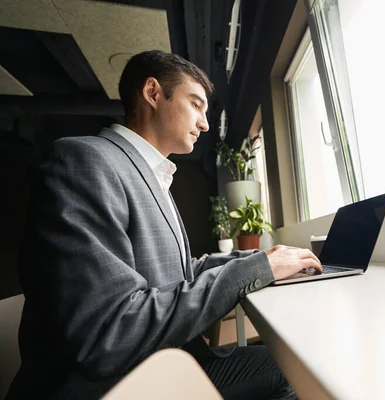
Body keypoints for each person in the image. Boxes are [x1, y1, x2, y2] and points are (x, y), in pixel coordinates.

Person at [7, 50, 322, 399]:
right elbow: (113, 330)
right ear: (153, 93)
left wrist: (262, 262)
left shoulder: (150, 175)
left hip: (161, 362)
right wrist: (257, 268)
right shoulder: (86, 161)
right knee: (294, 369)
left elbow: (178, 273)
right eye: (195, 104)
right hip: (116, 385)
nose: (204, 123)